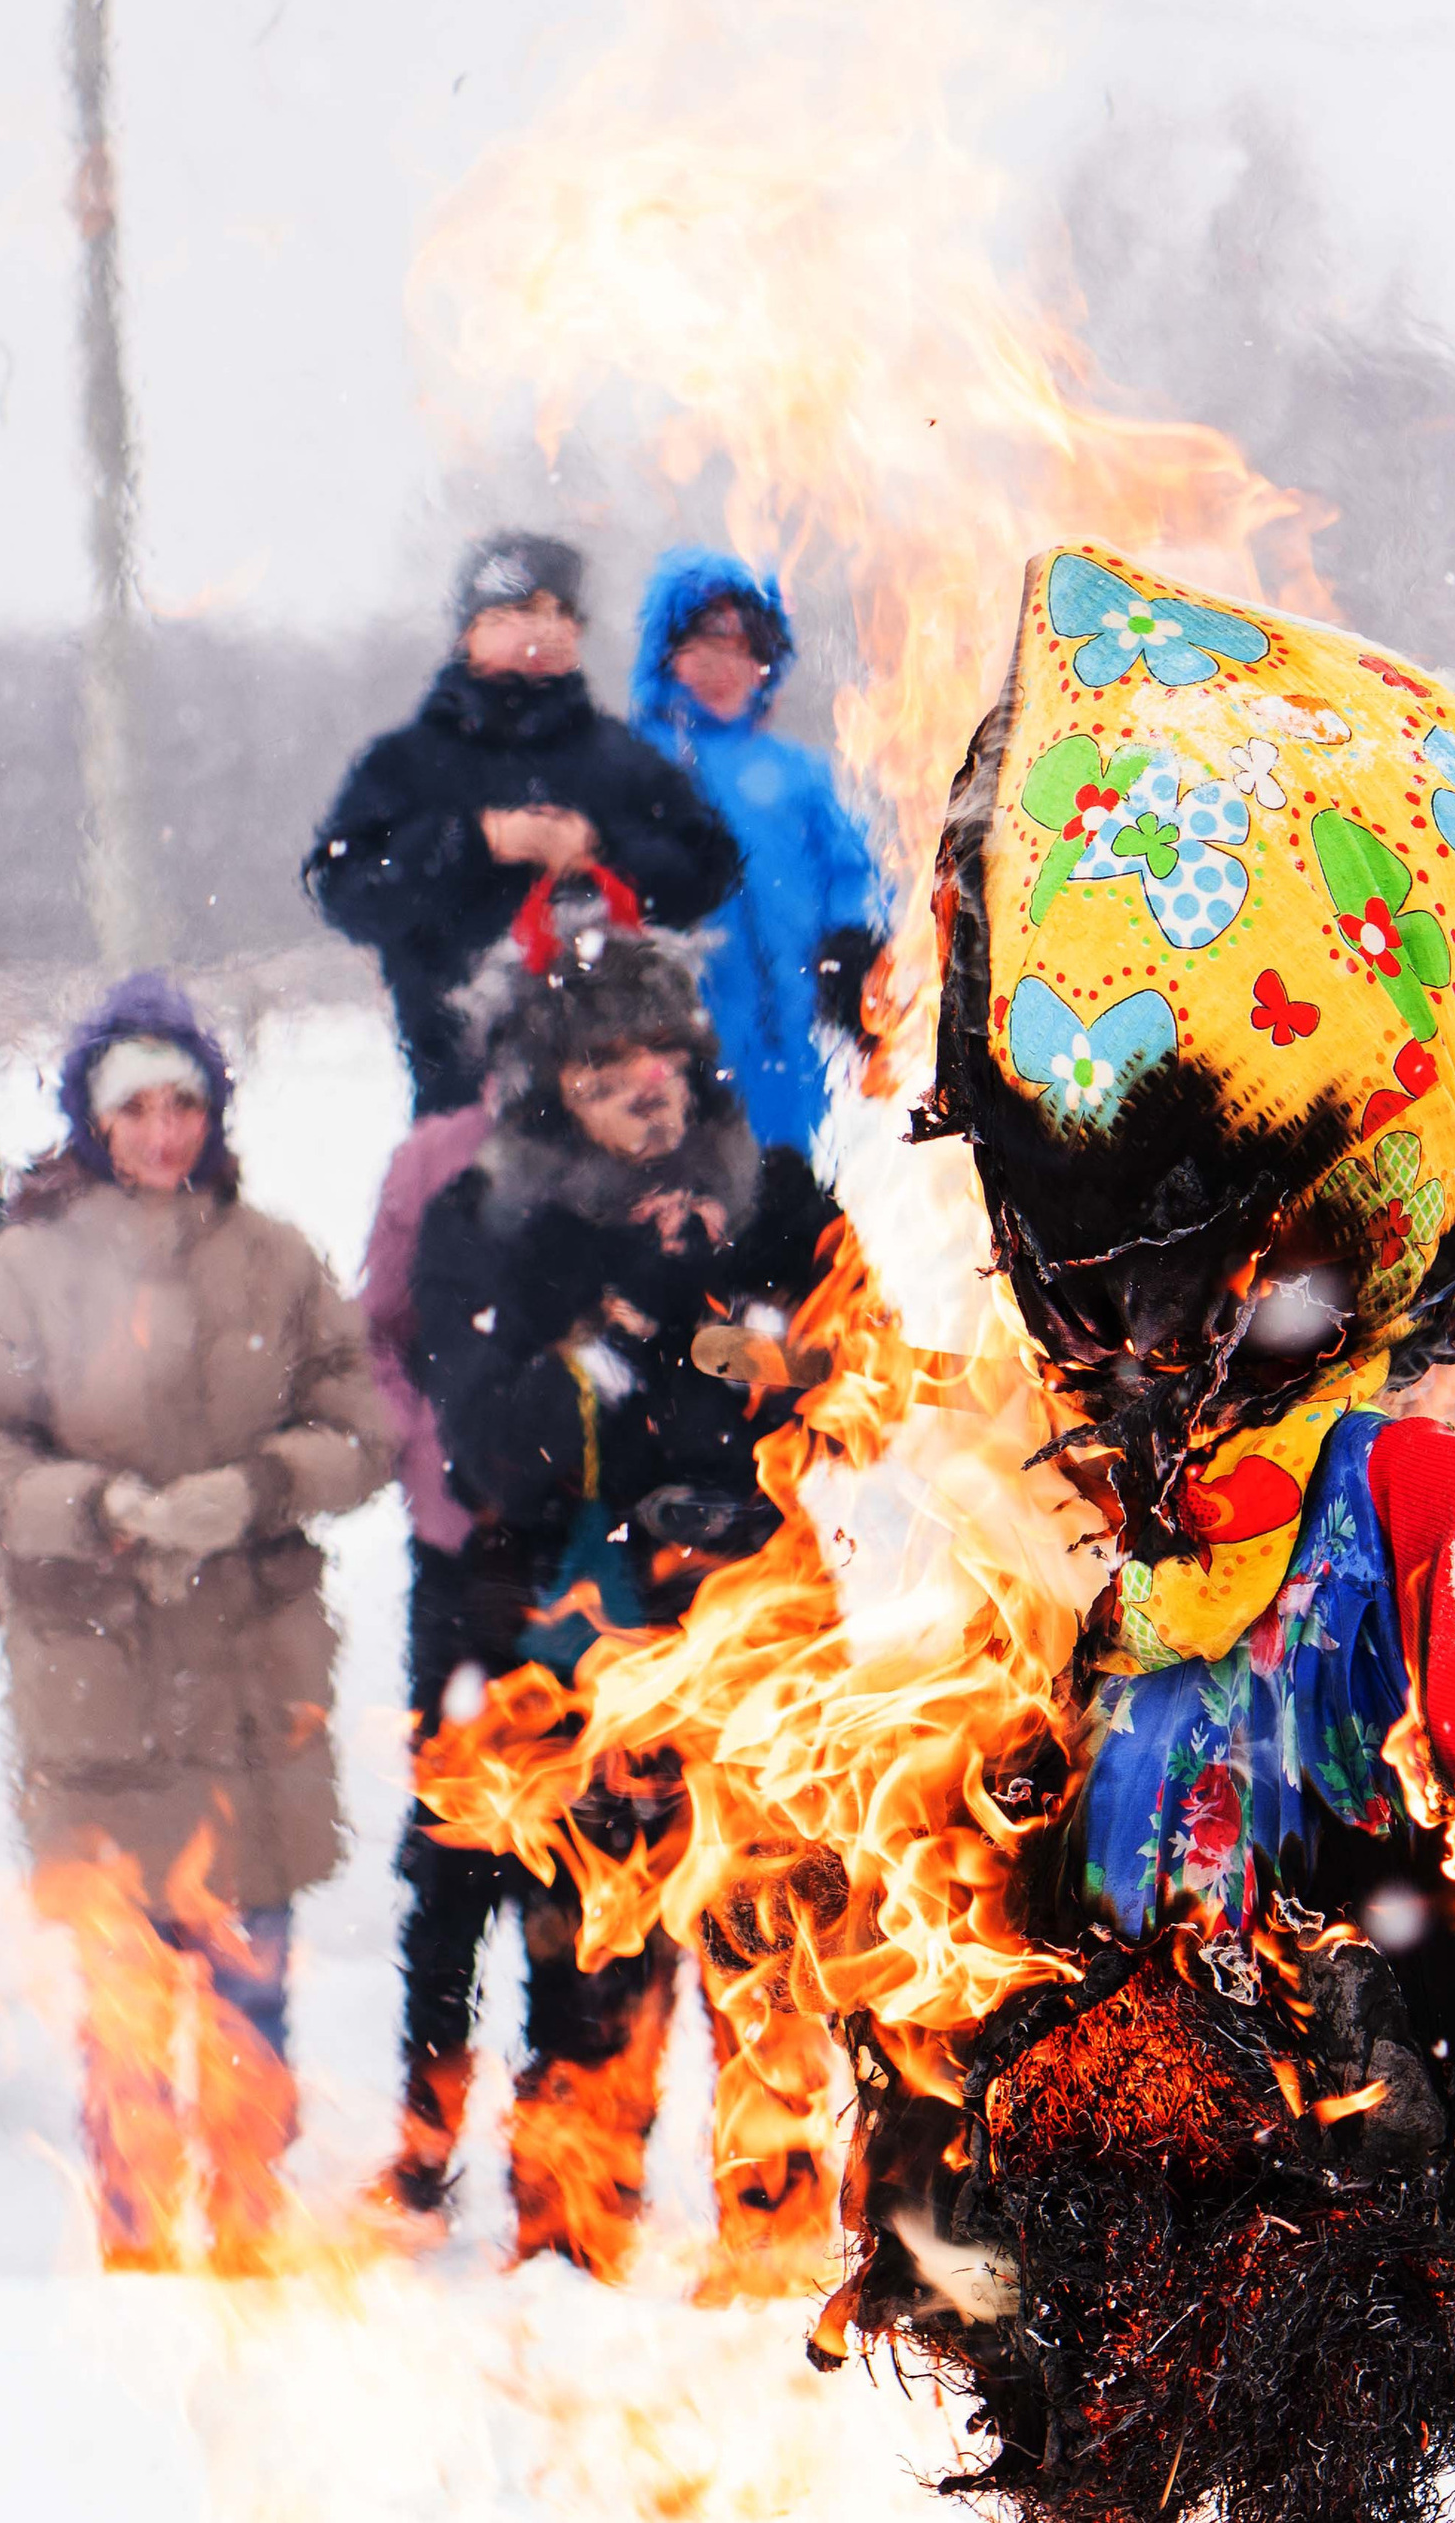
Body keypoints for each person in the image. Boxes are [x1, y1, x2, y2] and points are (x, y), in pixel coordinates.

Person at [0, 976, 395, 2265]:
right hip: (100, 1680)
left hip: (250, 1677)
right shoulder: (29, 1268)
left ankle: (247, 2237)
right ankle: (134, 2248)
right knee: (125, 2005)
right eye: (138, 1107)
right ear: (94, 1119)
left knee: (251, 1996)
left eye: (185, 1102)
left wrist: (257, 1488)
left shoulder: (274, 1255)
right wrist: (94, 1505)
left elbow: (363, 1430)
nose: (164, 1130)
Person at [383, 921, 834, 2268]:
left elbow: (857, 1381)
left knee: (774, 1961)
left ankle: (777, 2263)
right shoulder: (498, 1220)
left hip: (764, 1634)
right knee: (591, 1969)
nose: (645, 1084)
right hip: (582, 1654)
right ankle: (571, 2256)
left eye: (662, 1053)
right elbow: (494, 1450)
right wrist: (636, 1331)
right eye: (603, 1064)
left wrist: (758, 1359)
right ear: (550, 1084)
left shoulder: (779, 1196)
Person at [304, 531, 740, 1112]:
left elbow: (710, 872)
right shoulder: (404, 764)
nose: (546, 627)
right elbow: (345, 889)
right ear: (469, 630)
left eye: (562, 611)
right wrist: (478, 840)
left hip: (622, 1112)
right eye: (520, 609)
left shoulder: (623, 759)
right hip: (464, 1105)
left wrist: (601, 850)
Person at [628, 549, 888, 1160]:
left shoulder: (797, 772)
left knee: (785, 1180)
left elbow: (852, 871)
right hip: (683, 1025)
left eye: (746, 649)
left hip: (791, 1025)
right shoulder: (636, 763)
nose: (727, 664)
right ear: (667, 654)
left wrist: (853, 943)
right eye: (706, 645)